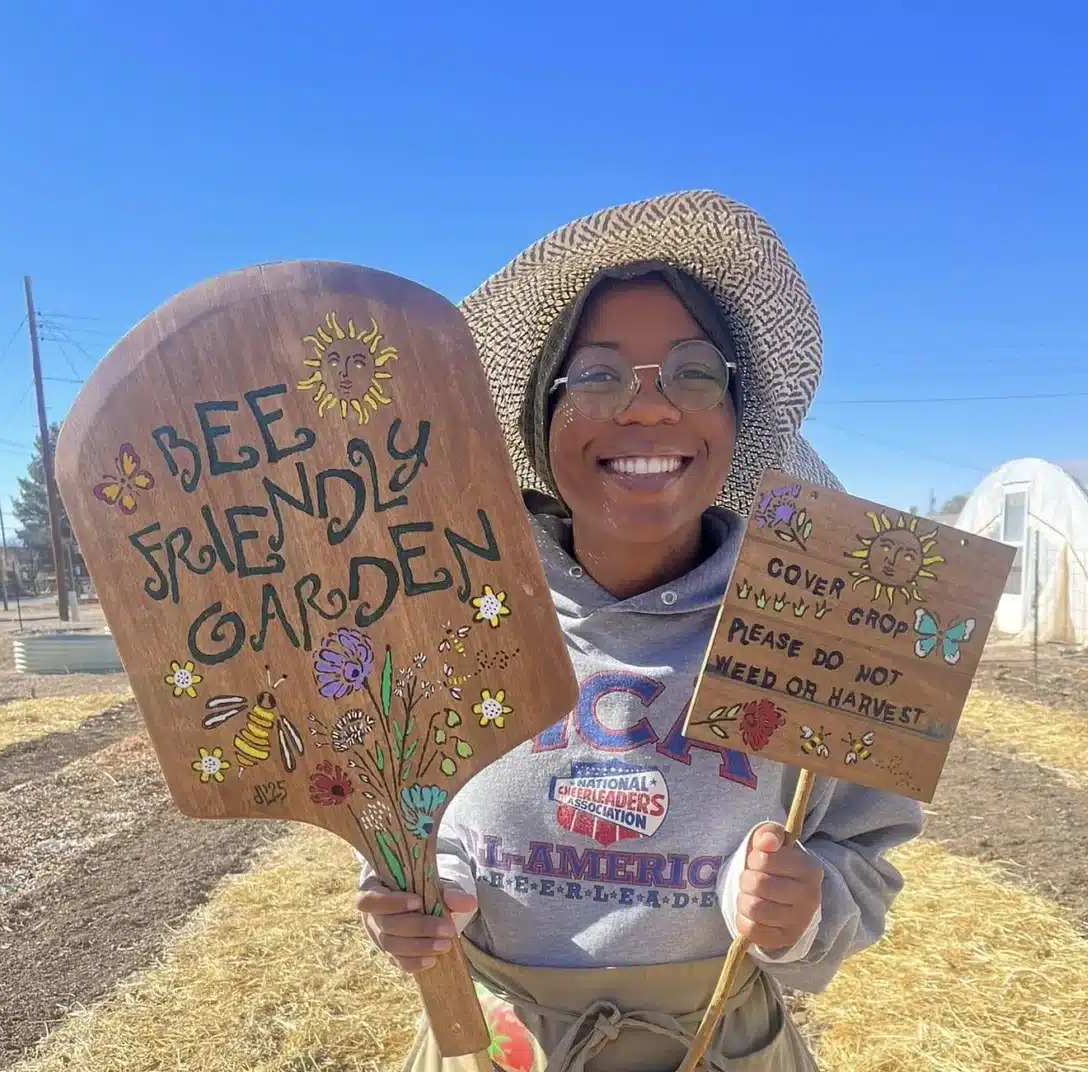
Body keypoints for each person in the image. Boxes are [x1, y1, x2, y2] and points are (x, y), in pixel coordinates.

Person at [357, 190, 924, 1072]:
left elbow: (864, 851)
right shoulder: (448, 607)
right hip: (498, 1049)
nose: (650, 409)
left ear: (735, 418)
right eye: (597, 374)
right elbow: (396, 803)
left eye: (694, 374)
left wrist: (809, 907)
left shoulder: (820, 616)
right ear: (542, 422)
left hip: (717, 1049)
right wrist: (427, 884)